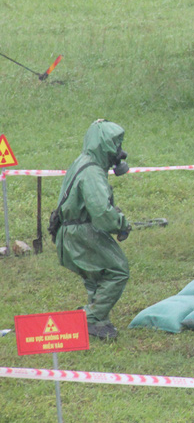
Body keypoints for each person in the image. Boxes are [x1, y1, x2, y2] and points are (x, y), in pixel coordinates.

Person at [55, 119, 132, 341]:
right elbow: (102, 213)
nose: (120, 151)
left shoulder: (83, 162)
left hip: (70, 231)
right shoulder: (92, 172)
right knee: (118, 270)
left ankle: (98, 320)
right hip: (81, 232)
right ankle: (89, 318)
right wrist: (121, 223)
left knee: (95, 274)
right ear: (104, 144)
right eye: (116, 145)